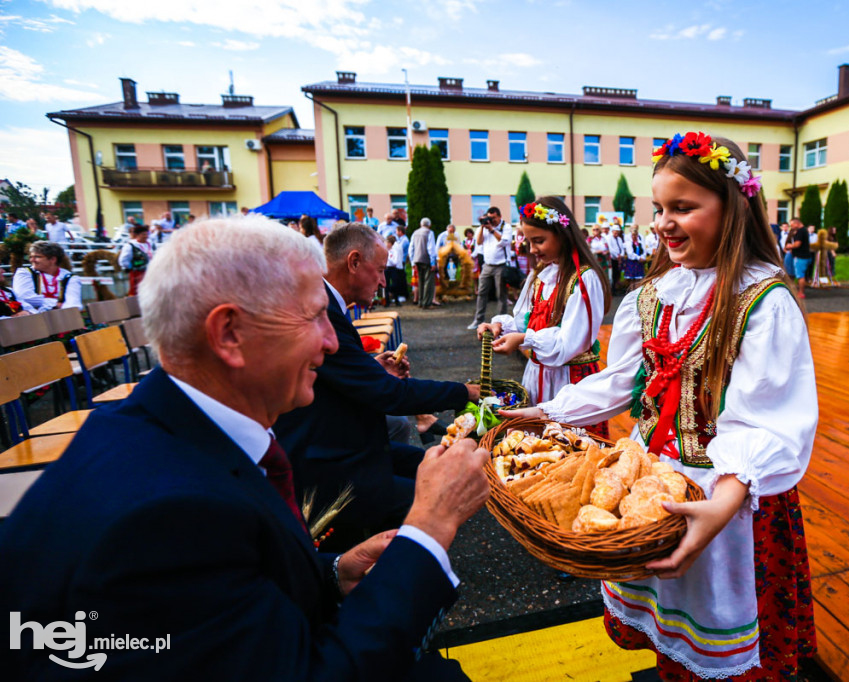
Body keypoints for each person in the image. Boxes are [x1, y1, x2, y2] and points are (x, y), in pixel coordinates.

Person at [0, 216, 488, 680]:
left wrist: (332, 572)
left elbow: (221, 593)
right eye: (315, 317)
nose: (333, 343)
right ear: (229, 334)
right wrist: (430, 524)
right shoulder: (164, 518)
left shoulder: (158, 430)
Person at [506, 132, 816, 681]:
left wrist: (724, 503)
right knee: (667, 638)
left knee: (724, 651)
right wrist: (550, 412)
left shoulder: (762, 302)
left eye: (683, 207)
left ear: (735, 207)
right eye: (659, 208)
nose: (662, 223)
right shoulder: (651, 296)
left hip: (726, 497)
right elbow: (623, 379)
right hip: (650, 487)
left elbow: (768, 418)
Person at [275, 223, 479, 553]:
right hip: (327, 462)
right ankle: (404, 571)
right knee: (442, 492)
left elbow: (339, 374)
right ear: (354, 262)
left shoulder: (325, 302)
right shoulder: (320, 308)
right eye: (380, 270)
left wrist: (372, 368)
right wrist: (464, 392)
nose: (384, 281)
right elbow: (389, 395)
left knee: (432, 461)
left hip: (342, 441)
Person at [477, 197, 611, 435]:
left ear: (562, 235)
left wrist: (525, 340)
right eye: (528, 241)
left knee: (569, 444)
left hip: (569, 380)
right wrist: (498, 326)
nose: (532, 249)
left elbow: (570, 344)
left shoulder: (582, 280)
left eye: (539, 241)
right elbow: (522, 322)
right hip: (537, 374)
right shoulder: (540, 276)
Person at [467, 207, 513, 330]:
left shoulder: (506, 227)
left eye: (493, 218)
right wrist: (483, 227)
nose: (490, 220)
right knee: (482, 292)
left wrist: (492, 229)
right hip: (487, 265)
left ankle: (502, 323)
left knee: (501, 294)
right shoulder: (484, 228)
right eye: (489, 218)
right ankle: (478, 320)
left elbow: (504, 242)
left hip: (501, 265)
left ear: (499, 216)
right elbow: (479, 242)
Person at [12, 241, 83, 312]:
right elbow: (24, 297)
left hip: (61, 318)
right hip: (32, 319)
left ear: (53, 259)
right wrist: (55, 303)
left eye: (37, 257)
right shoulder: (24, 273)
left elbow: (73, 305)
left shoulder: (70, 277)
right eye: (30, 257)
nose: (31, 260)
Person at [118, 223, 154, 295]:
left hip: (149, 271)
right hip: (137, 273)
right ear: (137, 235)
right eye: (143, 234)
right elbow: (122, 261)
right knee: (137, 291)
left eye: (146, 234)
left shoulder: (149, 243)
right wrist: (132, 266)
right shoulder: (130, 246)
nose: (146, 236)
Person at [411, 218, 439, 309]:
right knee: (428, 282)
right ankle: (426, 303)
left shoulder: (415, 233)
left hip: (417, 259)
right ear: (429, 225)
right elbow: (431, 248)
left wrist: (412, 261)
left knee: (421, 281)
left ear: (420, 224)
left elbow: (411, 247)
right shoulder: (429, 233)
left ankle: (420, 301)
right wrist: (433, 262)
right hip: (426, 259)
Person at [785, 218, 812, 299]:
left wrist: (789, 246)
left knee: (800, 276)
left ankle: (801, 293)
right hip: (805, 256)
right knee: (800, 274)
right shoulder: (805, 230)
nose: (791, 227)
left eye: (792, 225)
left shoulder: (800, 231)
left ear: (797, 223)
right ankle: (798, 291)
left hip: (800, 257)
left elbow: (797, 244)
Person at [384, 234, 404, 306]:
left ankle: (396, 300)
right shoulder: (385, 251)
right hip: (386, 268)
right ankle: (387, 301)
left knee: (395, 284)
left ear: (390, 243)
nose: (386, 245)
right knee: (386, 285)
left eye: (387, 243)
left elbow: (394, 262)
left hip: (393, 268)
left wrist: (388, 257)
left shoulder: (394, 251)